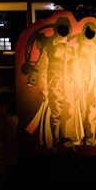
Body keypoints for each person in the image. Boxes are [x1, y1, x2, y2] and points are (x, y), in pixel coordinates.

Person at [37, 17, 82, 153]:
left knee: (68, 113)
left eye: (66, 27)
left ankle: (67, 142)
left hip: (68, 84)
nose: (64, 30)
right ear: (56, 29)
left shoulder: (71, 48)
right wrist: (43, 86)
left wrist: (77, 86)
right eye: (62, 27)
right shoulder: (49, 47)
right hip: (54, 83)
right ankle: (54, 142)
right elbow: (43, 68)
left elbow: (76, 68)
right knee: (55, 114)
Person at [76, 22, 96, 146]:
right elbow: (74, 65)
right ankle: (80, 137)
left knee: (93, 109)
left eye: (92, 31)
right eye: (88, 31)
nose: (90, 33)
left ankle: (90, 137)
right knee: (82, 108)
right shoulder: (78, 46)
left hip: (94, 81)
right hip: (82, 81)